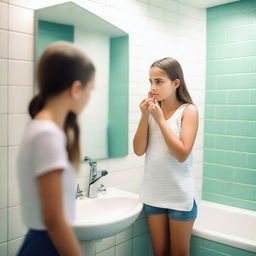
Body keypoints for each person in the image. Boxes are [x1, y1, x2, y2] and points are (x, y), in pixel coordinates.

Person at [17, 41, 95, 256]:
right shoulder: (47, 134)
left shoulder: (41, 127)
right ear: (76, 89)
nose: (90, 97)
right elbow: (53, 218)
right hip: (46, 245)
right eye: (90, 89)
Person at [133, 57, 198, 256]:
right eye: (151, 81)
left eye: (159, 81)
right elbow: (138, 150)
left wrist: (160, 120)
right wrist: (145, 116)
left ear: (176, 83)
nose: (153, 87)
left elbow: (181, 154)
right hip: (154, 195)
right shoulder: (152, 111)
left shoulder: (188, 111)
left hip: (179, 196)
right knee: (159, 253)